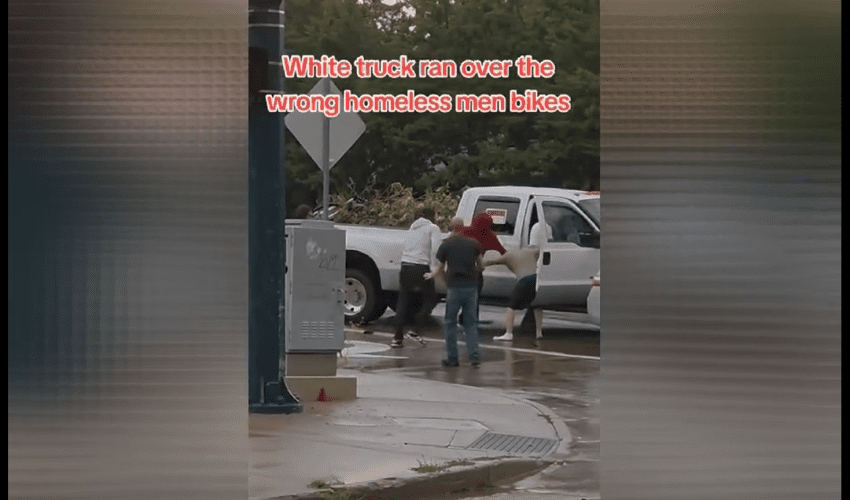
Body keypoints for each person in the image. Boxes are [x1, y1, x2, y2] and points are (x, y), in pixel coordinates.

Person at [424, 217, 483, 367]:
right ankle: (474, 357)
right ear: (462, 228)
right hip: (471, 287)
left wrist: (439, 278)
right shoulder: (474, 244)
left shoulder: (446, 245)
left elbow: (439, 268)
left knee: (450, 322)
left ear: (451, 228)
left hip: (454, 287)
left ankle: (452, 358)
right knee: (471, 323)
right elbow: (480, 265)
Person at [390, 207, 442, 348]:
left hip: (406, 266)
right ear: (432, 216)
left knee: (403, 299)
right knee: (430, 298)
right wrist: (434, 268)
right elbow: (436, 248)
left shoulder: (411, 229)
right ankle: (416, 328)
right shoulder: (433, 228)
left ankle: (397, 338)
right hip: (421, 267)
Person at [455, 212, 507, 325]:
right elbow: (503, 252)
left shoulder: (465, 231)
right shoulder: (490, 236)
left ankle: (462, 316)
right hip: (476, 270)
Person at [484, 246, 544, 341]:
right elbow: (541, 252)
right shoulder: (531, 252)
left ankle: (508, 333)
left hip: (524, 280)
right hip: (536, 279)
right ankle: (539, 333)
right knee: (536, 304)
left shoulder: (508, 256)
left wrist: (478, 264)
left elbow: (491, 262)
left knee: (511, 307)